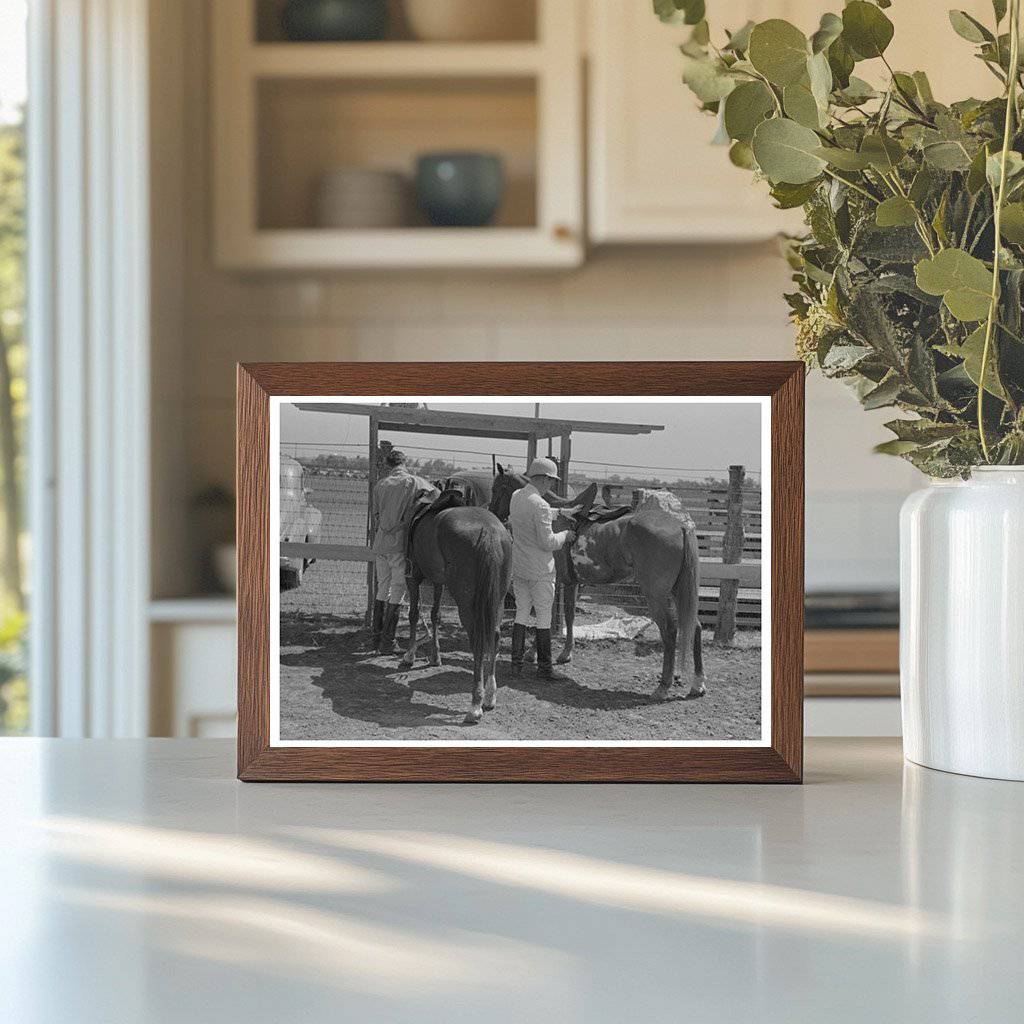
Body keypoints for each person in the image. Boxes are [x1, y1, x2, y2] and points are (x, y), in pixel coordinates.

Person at [507, 457, 576, 680]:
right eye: (551, 481)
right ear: (544, 479)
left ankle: (515, 664)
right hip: (540, 571)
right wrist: (565, 535)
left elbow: (532, 514)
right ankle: (545, 668)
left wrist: (559, 512)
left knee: (521, 613)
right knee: (544, 617)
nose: (552, 485)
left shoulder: (516, 496)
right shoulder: (541, 505)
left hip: (519, 567)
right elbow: (548, 542)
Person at [369, 449, 436, 653]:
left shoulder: (380, 485)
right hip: (399, 544)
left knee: (383, 587)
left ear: (389, 465)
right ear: (404, 464)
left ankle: (377, 637)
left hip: (381, 543)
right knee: (398, 589)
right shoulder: (414, 482)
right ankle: (388, 642)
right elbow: (435, 493)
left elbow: (377, 514)